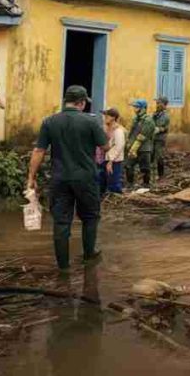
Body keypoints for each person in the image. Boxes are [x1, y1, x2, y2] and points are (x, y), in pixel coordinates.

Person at [27, 85, 108, 272]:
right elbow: (105, 146)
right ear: (81, 103)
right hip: (86, 178)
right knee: (90, 217)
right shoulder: (90, 121)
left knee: (61, 221)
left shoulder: (49, 121)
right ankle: (89, 255)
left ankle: (63, 267)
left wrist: (31, 177)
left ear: (66, 102)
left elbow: (39, 151)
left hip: (59, 178)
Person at [125, 98, 156, 188]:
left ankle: (146, 185)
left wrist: (133, 149)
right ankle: (130, 184)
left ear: (143, 108)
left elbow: (141, 137)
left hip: (144, 148)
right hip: (133, 147)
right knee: (128, 166)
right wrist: (128, 144)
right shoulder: (135, 119)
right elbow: (132, 133)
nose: (134, 109)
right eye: (134, 107)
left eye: (137, 107)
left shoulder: (148, 121)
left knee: (145, 168)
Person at [101, 108, 126, 195]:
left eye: (106, 116)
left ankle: (116, 197)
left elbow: (119, 146)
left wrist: (111, 161)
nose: (104, 118)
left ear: (113, 117)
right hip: (107, 158)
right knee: (108, 180)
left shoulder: (118, 131)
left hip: (115, 160)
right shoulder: (108, 128)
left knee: (114, 182)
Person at [151, 96, 170, 180]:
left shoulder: (165, 116)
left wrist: (158, 129)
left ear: (164, 104)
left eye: (159, 103)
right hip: (153, 137)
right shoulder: (156, 114)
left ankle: (160, 175)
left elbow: (163, 127)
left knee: (159, 156)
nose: (157, 105)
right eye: (157, 103)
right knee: (151, 155)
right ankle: (152, 173)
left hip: (160, 139)